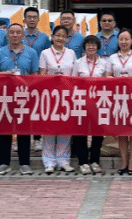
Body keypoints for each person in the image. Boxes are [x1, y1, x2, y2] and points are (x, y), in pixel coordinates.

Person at [0, 23, 39, 175]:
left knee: (24, 130)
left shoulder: (31, 52)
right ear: (7, 35)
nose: (15, 35)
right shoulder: (0, 52)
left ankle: (25, 163)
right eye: (12, 32)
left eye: (18, 32)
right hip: (5, 96)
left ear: (23, 35)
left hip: (24, 96)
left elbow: (35, 74)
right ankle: (4, 163)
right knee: (5, 130)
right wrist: (5, 75)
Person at [40, 25, 77, 173]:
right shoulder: (45, 53)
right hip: (50, 96)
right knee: (49, 129)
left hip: (67, 95)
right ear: (53, 36)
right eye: (58, 35)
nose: (60, 38)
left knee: (65, 128)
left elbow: (74, 75)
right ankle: (49, 162)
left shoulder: (71, 53)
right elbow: (42, 74)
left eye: (63, 36)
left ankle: (63, 160)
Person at [108, 29, 132, 175]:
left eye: (127, 39)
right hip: (118, 98)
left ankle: (131, 163)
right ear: (118, 41)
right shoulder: (112, 58)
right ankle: (123, 162)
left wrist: (130, 82)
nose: (124, 42)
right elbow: (107, 75)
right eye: (121, 39)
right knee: (122, 132)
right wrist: (116, 81)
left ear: (131, 41)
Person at [72, 34, 110, 174]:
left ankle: (95, 161)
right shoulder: (78, 63)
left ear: (98, 47)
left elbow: (107, 82)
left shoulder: (104, 63)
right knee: (80, 132)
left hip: (98, 102)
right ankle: (83, 162)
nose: (91, 47)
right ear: (84, 47)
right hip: (81, 101)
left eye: (93, 45)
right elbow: (73, 81)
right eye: (88, 44)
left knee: (97, 133)